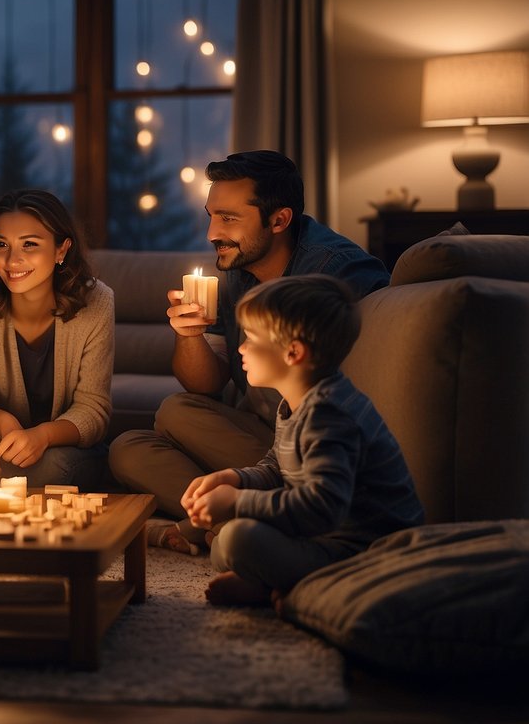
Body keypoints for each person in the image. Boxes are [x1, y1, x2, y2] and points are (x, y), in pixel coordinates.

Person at [109, 150, 390, 555]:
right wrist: (189, 335)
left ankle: (231, 523)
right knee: (130, 448)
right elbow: (205, 383)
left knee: (173, 413)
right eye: (210, 215)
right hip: (258, 438)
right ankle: (236, 520)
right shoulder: (236, 271)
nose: (211, 233)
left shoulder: (333, 271)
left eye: (227, 218)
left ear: (279, 220)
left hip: (310, 446)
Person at [181, 274, 423, 606]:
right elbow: (276, 467)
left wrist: (237, 502)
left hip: (365, 553)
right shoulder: (295, 401)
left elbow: (322, 507)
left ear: (293, 352)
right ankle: (275, 582)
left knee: (238, 539)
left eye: (251, 338)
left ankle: (288, 589)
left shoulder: (329, 415)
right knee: (224, 542)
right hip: (322, 537)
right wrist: (234, 479)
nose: (241, 348)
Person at [0, 189, 114, 489]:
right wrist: (3, 421)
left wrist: (42, 436)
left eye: (29, 244)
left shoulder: (97, 302)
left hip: (61, 448)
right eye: (2, 244)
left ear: (61, 250)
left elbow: (93, 411)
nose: (12, 260)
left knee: (50, 469)